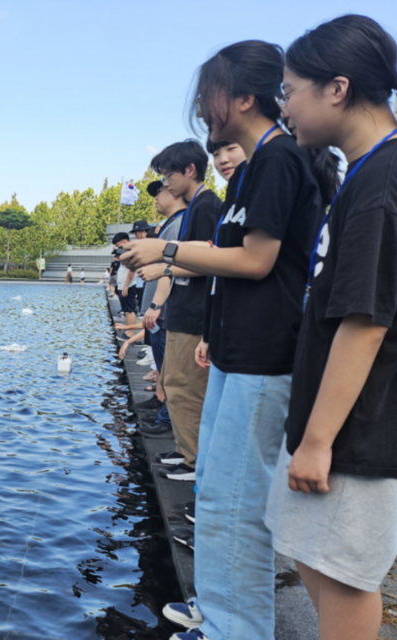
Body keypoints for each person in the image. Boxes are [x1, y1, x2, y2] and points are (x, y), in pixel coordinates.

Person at [121, 39, 339, 640]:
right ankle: (219, 619)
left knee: (240, 507)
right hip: (237, 352)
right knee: (217, 498)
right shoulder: (256, 166)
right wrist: (215, 333)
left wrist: (164, 250)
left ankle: (236, 630)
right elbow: (235, 261)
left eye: (211, 92)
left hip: (266, 359)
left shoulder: (277, 159)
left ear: (244, 96)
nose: (202, 103)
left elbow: (258, 259)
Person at [263, 16, 397, 640]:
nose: (284, 106)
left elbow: (365, 321)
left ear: (336, 88)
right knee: (310, 555)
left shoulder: (380, 183)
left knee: (344, 578)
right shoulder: (361, 173)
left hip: (356, 426)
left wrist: (318, 441)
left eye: (290, 90)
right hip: (332, 418)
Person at [145, 141, 224, 479]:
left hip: (195, 314)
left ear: (190, 170)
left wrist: (162, 266)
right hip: (181, 310)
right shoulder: (196, 206)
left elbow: (208, 260)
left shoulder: (207, 206)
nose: (166, 184)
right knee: (176, 385)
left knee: (190, 389)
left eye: (168, 176)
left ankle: (195, 462)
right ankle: (184, 451)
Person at [134, 180, 187, 435]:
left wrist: (156, 305)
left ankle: (167, 419)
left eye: (160, 191)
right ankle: (161, 408)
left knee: (170, 368)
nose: (156, 197)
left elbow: (170, 268)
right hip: (159, 312)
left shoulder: (178, 224)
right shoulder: (168, 225)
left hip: (163, 311)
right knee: (162, 366)